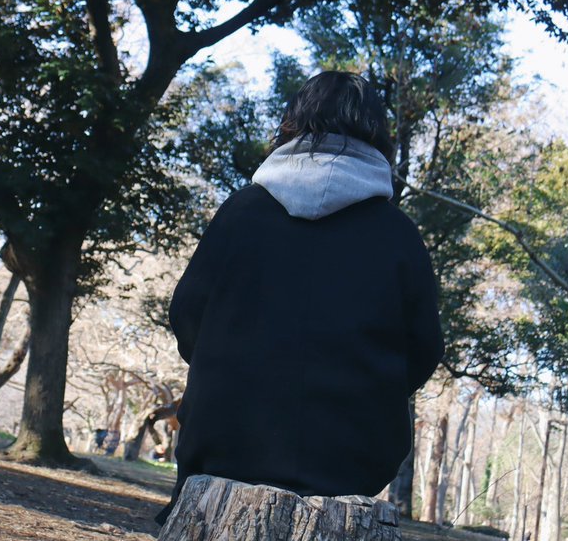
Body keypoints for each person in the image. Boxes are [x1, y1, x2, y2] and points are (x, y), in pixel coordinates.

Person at [158, 71, 444, 525]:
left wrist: (229, 366)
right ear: (377, 137)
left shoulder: (241, 212)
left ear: (292, 124)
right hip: (351, 460)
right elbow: (424, 349)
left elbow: (186, 314)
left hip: (221, 440)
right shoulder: (399, 235)